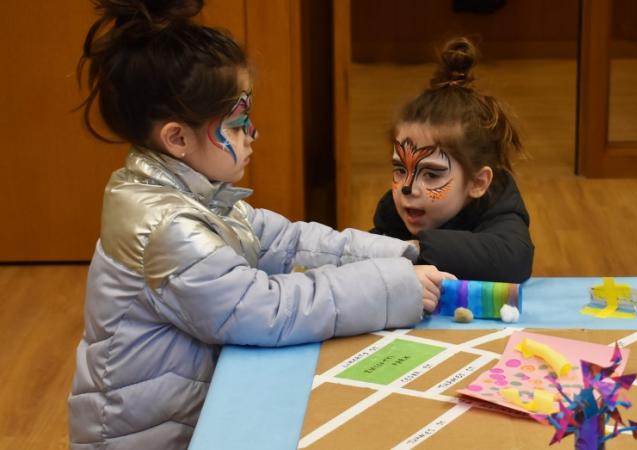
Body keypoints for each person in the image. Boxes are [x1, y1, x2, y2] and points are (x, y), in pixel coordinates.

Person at [68, 1, 451, 448]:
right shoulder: (167, 227)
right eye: (236, 125)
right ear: (177, 138)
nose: (253, 135)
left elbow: (288, 242)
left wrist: (399, 252)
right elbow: (268, 311)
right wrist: (394, 286)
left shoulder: (193, 191)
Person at [371, 37, 534, 284]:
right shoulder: (392, 214)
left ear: (478, 183)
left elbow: (514, 258)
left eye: (432, 174)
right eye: (400, 169)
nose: (408, 187)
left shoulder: (498, 209)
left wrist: (412, 249)